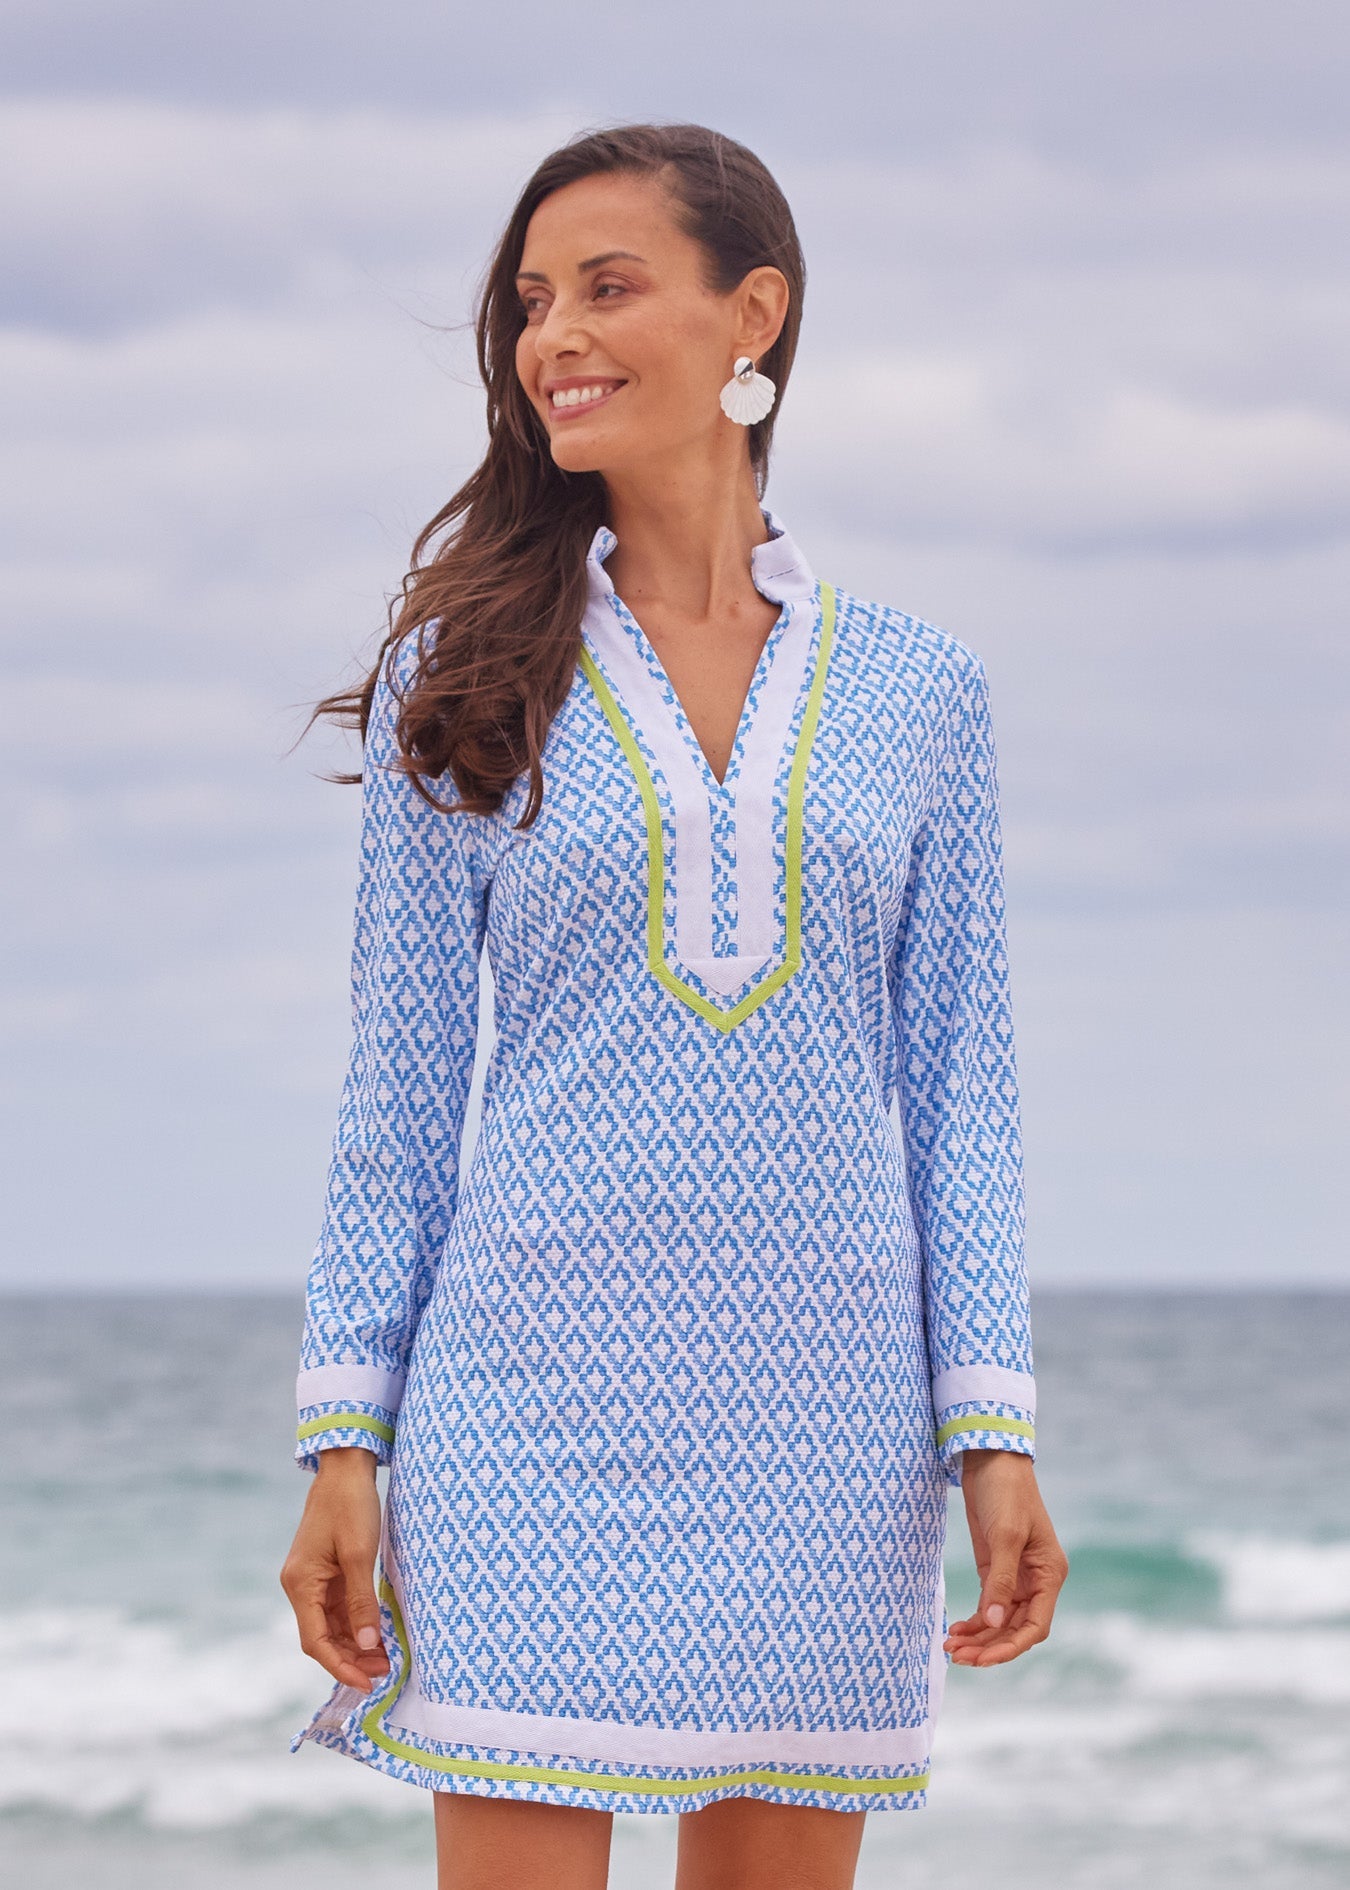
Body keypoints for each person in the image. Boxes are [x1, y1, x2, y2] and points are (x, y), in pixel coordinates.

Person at [279, 121, 1069, 1890]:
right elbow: (399, 1094)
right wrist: (344, 1439)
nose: (551, 335)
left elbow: (964, 1096)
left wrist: (991, 1432)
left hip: (827, 1435)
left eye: (607, 287)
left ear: (751, 316)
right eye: (530, 300)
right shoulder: (465, 676)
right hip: (521, 1420)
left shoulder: (921, 692)